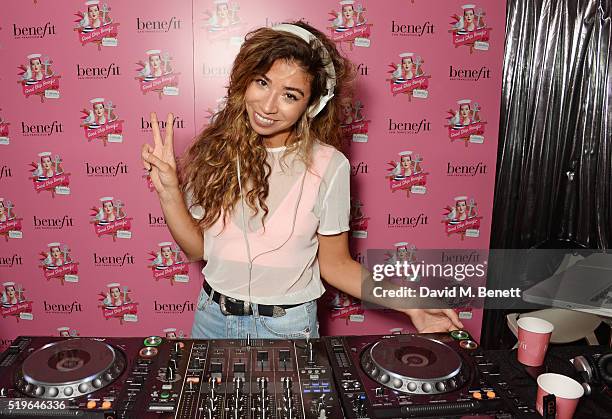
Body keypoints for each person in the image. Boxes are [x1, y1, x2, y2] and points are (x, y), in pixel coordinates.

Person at [141, 21, 463, 339]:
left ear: (313, 105)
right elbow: (199, 250)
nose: (267, 106)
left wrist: (413, 306)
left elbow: (336, 265)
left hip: (284, 328)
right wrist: (169, 191)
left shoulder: (329, 165)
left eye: (290, 95)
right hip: (211, 318)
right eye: (262, 83)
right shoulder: (217, 150)